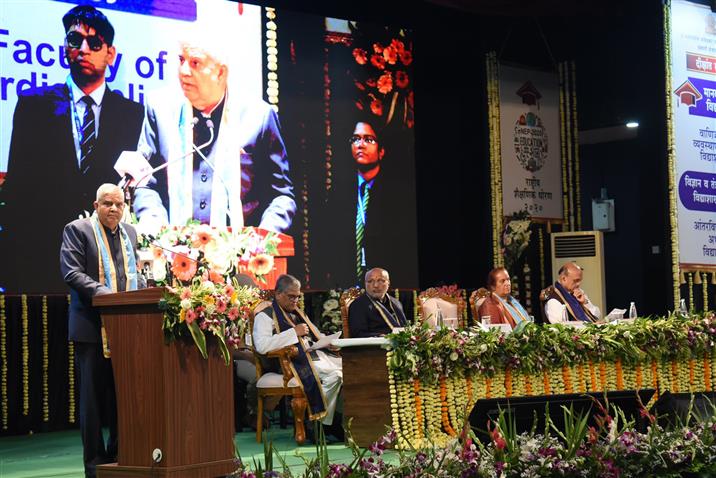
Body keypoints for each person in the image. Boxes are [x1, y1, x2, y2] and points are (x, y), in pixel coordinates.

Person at [1, 5, 144, 294]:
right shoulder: (34, 104)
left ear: (110, 53)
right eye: (74, 40)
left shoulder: (132, 114)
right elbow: (17, 186)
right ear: (65, 47)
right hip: (42, 253)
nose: (83, 49)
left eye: (94, 43)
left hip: (109, 256)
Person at [132, 35, 295, 232]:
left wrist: (261, 240)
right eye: (181, 60)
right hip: (173, 254)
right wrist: (157, 232)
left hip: (240, 254)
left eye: (195, 63)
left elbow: (281, 195)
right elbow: (145, 184)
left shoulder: (259, 116)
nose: (184, 71)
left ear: (220, 73)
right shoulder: (159, 109)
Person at [60, 184, 145, 478]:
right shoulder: (78, 230)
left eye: (119, 204)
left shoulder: (129, 233)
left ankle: (123, 456)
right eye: (107, 203)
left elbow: (134, 275)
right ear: (96, 206)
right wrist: (107, 295)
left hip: (126, 330)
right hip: (91, 330)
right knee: (93, 402)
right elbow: (71, 272)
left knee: (124, 397)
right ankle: (95, 465)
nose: (114, 209)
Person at [315, 119, 418, 288]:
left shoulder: (398, 194)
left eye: (368, 139)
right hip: (348, 284)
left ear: (381, 151)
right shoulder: (339, 192)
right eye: (355, 139)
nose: (360, 145)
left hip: (387, 285)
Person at [252, 274, 342, 434]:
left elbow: (314, 335)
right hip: (288, 363)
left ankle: (335, 421)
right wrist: (294, 332)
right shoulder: (264, 316)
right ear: (278, 294)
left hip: (312, 355)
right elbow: (262, 346)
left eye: (297, 297)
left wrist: (328, 343)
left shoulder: (297, 312)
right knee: (335, 375)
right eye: (291, 297)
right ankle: (317, 424)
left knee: (348, 370)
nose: (295, 301)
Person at [348, 267, 407, 337]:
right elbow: (358, 334)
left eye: (380, 281)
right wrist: (381, 336)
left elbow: (404, 327)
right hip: (374, 346)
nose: (375, 285)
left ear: (388, 283)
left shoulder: (396, 303)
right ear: (365, 284)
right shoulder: (358, 305)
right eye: (370, 281)